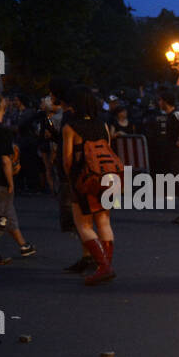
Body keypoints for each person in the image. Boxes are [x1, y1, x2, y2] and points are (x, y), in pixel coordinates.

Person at [61, 85, 118, 286]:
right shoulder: (102, 125)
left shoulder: (70, 128)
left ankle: (103, 266)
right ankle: (105, 264)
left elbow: (67, 160)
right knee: (104, 222)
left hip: (83, 179)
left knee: (83, 225)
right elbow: (108, 150)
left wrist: (70, 180)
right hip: (107, 178)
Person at [0, 93, 34, 265]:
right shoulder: (2, 131)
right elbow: (5, 160)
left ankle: (23, 245)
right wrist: (10, 182)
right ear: (4, 107)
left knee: (7, 211)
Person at [149, 88, 179, 225]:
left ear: (165, 101)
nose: (159, 103)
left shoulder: (175, 114)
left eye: (160, 100)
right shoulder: (176, 114)